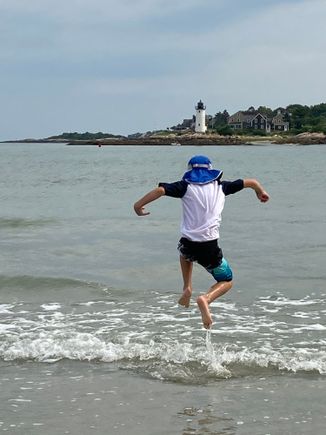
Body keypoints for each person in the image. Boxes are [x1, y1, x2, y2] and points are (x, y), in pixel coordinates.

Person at [133, 155, 270, 329]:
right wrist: (260, 192)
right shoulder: (222, 186)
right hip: (209, 246)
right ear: (210, 171)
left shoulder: (184, 186)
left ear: (190, 171)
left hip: (188, 242)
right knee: (227, 280)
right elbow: (250, 182)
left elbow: (160, 190)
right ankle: (206, 298)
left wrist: (138, 206)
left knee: (184, 253)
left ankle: (187, 288)